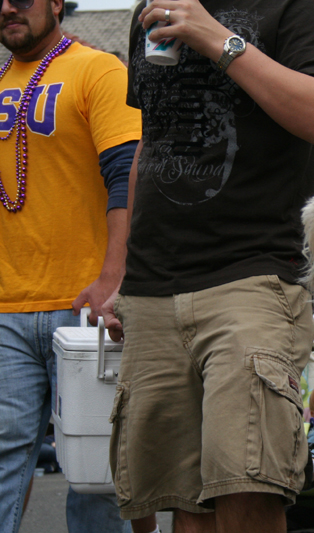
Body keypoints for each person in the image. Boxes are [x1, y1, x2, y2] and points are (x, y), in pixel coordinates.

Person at [100, 0, 314, 530]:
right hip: (153, 284)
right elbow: (152, 140)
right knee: (184, 502)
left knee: (249, 486)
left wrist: (218, 39)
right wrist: (123, 273)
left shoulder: (292, 6)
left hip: (251, 275)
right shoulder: (149, 8)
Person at [0, 0, 143, 530]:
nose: (9, 7)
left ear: (58, 3)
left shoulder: (98, 68)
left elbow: (128, 172)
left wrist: (115, 276)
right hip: (6, 305)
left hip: (86, 308)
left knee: (97, 471)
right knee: (2, 458)